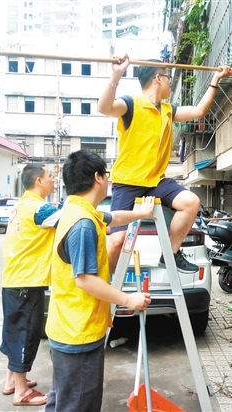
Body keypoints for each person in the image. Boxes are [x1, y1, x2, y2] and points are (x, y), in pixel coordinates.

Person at [98, 55, 232, 274]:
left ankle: (170, 253)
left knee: (191, 202)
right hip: (127, 182)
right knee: (116, 241)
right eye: (169, 77)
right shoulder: (130, 104)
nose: (171, 83)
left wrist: (215, 80)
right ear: (158, 78)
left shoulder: (168, 110)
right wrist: (116, 74)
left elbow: (199, 111)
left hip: (155, 182)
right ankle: (107, 285)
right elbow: (104, 108)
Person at [45, 149, 153, 412]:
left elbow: (113, 217)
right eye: (107, 175)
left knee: (63, 400)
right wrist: (129, 299)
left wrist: (141, 213)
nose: (109, 181)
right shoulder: (82, 224)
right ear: (97, 177)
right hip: (77, 334)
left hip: (67, 327)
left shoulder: (76, 210)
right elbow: (84, 280)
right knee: (79, 404)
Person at [0, 163, 62, 407]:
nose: (53, 180)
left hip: (13, 280)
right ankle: (22, 392)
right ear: (38, 181)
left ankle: (12, 382)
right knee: (25, 335)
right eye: (49, 177)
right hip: (27, 282)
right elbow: (74, 218)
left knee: (14, 333)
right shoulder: (39, 209)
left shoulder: (20, 206)